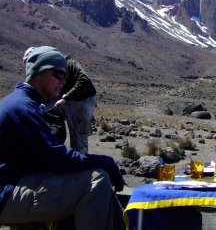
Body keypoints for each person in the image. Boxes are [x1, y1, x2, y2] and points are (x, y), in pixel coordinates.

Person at [0, 46, 126, 229]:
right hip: (7, 193)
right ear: (38, 73)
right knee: (96, 179)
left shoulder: (22, 102)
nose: (63, 81)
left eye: (65, 76)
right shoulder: (24, 109)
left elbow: (47, 158)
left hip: (14, 184)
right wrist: (104, 162)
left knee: (74, 177)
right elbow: (57, 158)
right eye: (58, 75)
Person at [23, 47, 97, 154]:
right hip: (64, 98)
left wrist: (66, 98)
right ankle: (54, 147)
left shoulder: (69, 64)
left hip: (83, 99)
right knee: (49, 114)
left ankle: (80, 162)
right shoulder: (46, 71)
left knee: (78, 135)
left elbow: (84, 80)